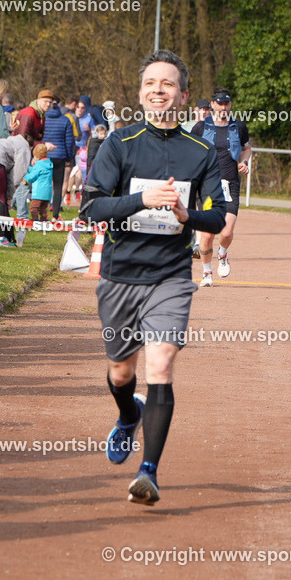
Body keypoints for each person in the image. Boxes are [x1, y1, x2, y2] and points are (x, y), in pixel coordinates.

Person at [82, 49, 227, 506]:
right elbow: (92, 207)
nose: (158, 90)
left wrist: (189, 215)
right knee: (121, 371)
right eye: (150, 83)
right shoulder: (120, 144)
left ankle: (149, 473)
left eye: (167, 83)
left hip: (171, 276)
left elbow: (218, 215)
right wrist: (141, 200)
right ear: (141, 93)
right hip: (121, 275)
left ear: (183, 95)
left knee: (160, 365)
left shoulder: (202, 152)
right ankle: (129, 416)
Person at [191, 87, 250, 285]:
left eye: (226, 103)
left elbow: (246, 148)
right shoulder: (201, 127)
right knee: (207, 235)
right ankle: (207, 272)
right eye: (220, 103)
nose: (223, 107)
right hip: (207, 186)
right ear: (213, 105)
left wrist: (244, 161)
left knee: (226, 232)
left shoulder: (238, 126)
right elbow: (189, 150)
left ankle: (223, 253)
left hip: (230, 183)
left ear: (230, 105)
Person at [43, 101, 76, 218]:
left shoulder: (43, 119)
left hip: (44, 155)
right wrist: (68, 157)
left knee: (43, 185)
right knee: (58, 186)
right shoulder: (65, 120)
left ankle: (41, 213)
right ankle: (55, 215)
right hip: (59, 156)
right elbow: (69, 141)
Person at [24, 143, 53, 221]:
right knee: (43, 209)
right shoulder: (48, 164)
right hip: (47, 192)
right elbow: (37, 171)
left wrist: (25, 175)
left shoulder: (38, 165)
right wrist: (30, 168)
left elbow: (31, 177)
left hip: (39, 192)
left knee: (33, 208)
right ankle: (44, 220)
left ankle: (35, 220)